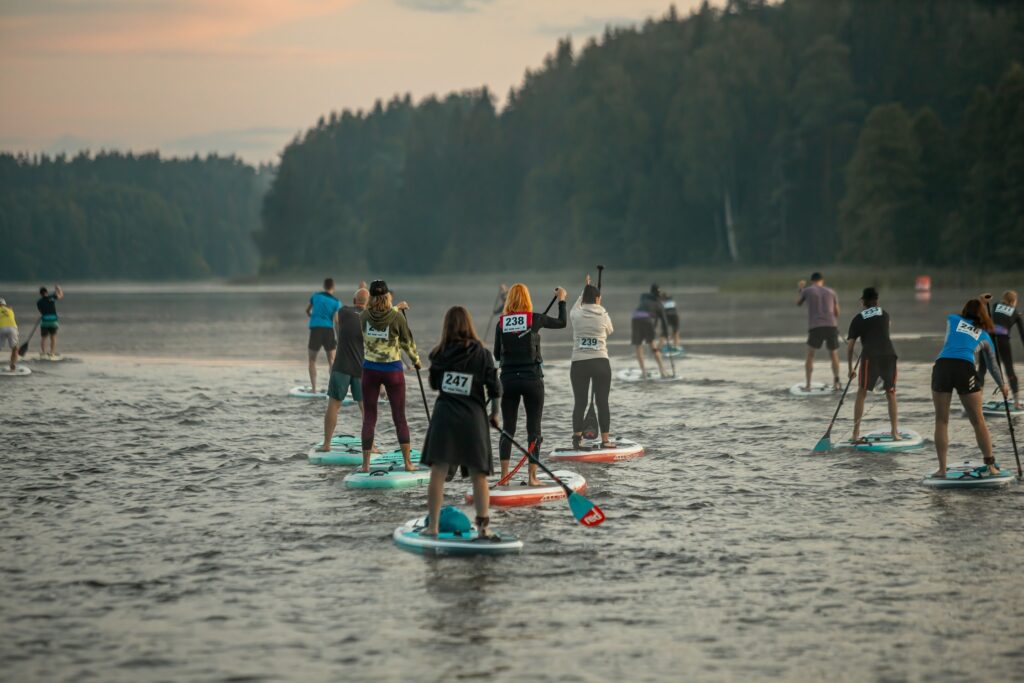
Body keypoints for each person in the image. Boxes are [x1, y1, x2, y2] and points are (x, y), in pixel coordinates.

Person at [420, 306, 502, 539]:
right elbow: (495, 388)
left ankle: (433, 527)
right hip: (473, 418)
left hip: (445, 417)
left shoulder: (438, 354)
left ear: (446, 326)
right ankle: (483, 528)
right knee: (479, 475)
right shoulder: (483, 354)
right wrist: (495, 414)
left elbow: (435, 385)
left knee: (438, 472)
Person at [493, 282, 567, 486]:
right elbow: (562, 322)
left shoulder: (501, 323)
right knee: (534, 429)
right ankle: (532, 478)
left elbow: (496, 354)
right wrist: (561, 299)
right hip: (532, 380)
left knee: (508, 429)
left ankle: (504, 478)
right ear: (527, 299)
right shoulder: (535, 319)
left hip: (508, 381)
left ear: (509, 301)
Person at [931, 296, 1008, 479]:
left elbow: (962, 315)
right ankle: (991, 467)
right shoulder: (985, 336)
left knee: (941, 421)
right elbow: (992, 366)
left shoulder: (953, 319)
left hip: (942, 366)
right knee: (978, 421)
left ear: (965, 311)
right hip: (964, 368)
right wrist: (1002, 385)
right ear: (983, 316)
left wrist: (980, 301)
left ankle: (942, 470)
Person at [359, 280, 419, 472]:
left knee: (369, 417)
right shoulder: (397, 317)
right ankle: (408, 464)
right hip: (392, 370)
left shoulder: (363, 316)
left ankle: (366, 465)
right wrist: (416, 361)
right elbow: (407, 344)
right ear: (387, 296)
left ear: (371, 297)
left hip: (370, 370)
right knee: (399, 417)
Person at [316, 284, 369, 452]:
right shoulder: (371, 317)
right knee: (366, 409)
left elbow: (335, 317)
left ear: (354, 301)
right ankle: (371, 446)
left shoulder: (344, 312)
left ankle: (326, 444)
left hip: (341, 366)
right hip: (362, 368)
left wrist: (338, 334)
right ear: (367, 304)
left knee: (333, 405)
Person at [846, 287, 900, 442]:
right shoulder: (885, 314)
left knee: (861, 393)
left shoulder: (858, 318)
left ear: (863, 301)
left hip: (870, 357)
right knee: (891, 393)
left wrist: (850, 369)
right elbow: (883, 331)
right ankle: (894, 433)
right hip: (889, 355)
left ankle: (855, 434)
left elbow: (850, 347)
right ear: (877, 301)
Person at [570, 275, 614, 449]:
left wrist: (585, 290)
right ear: (597, 299)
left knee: (580, 402)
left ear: (583, 298)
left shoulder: (575, 314)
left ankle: (577, 439)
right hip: (601, 363)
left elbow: (577, 304)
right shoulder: (603, 314)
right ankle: (605, 441)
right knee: (602, 402)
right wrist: (599, 307)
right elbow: (610, 330)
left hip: (579, 364)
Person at [796, 273, 840, 390]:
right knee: (833, 354)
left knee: (810, 355)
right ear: (822, 281)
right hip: (831, 326)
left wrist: (800, 288)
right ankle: (836, 383)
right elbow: (837, 313)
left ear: (812, 281)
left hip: (816, 327)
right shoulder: (831, 291)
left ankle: (808, 385)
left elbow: (798, 303)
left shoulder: (807, 290)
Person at [305, 278, 342, 394]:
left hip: (316, 330)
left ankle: (314, 389)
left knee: (312, 360)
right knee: (332, 361)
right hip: (328, 331)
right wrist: (339, 338)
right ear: (333, 287)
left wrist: (315, 318)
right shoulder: (337, 302)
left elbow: (308, 311)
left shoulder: (315, 296)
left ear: (324, 286)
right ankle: (333, 389)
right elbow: (336, 321)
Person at [991, 290, 1024, 409]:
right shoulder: (1015, 312)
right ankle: (1016, 402)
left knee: (983, 369)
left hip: (990, 340)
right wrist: (1016, 316)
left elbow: (998, 315)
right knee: (1010, 370)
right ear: (1014, 301)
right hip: (1003, 341)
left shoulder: (994, 305)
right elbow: (1022, 334)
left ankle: (976, 401)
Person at [631, 284, 668, 379]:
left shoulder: (643, 297)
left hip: (635, 318)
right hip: (647, 320)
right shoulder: (659, 304)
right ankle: (662, 370)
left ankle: (643, 372)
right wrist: (666, 333)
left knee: (638, 345)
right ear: (659, 295)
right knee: (652, 345)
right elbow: (664, 322)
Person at [36, 285, 63, 358]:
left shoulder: (39, 302)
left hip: (44, 322)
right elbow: (60, 295)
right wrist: (59, 289)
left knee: (43, 338)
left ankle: (43, 353)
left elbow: (41, 311)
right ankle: (52, 353)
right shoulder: (51, 297)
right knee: (53, 337)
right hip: (53, 321)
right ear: (46, 292)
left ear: (40, 294)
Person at [0, 298, 19, 371]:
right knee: (15, 348)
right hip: (12, 328)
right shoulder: (10, 310)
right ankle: (12, 365)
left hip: (1, 328)